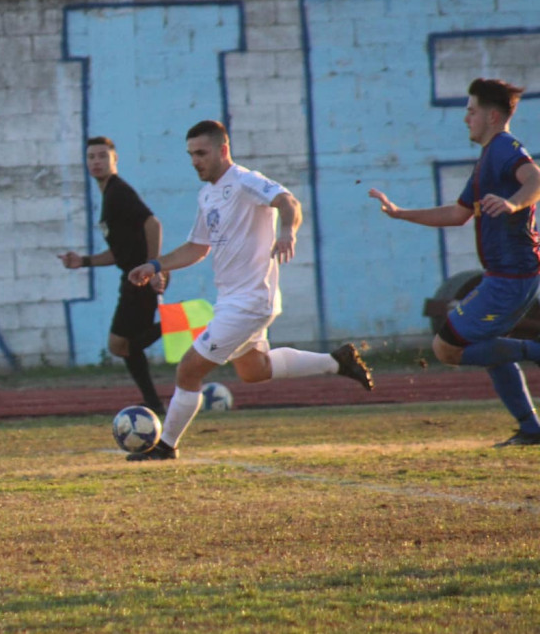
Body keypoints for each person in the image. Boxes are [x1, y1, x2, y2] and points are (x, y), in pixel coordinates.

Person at [123, 120, 374, 461]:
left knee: (188, 369)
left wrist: (287, 231)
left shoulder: (244, 181)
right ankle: (337, 361)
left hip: (251, 301)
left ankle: (166, 446)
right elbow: (197, 248)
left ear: (223, 150)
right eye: (191, 155)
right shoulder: (207, 194)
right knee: (254, 371)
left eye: (202, 153)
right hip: (231, 301)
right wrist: (155, 266)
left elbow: (289, 202)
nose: (196, 161)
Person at [368, 78, 540, 447]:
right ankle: (531, 429)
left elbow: (536, 179)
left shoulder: (504, 149)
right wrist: (400, 214)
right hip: (510, 275)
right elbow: (457, 213)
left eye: (471, 110)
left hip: (510, 277)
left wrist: (514, 203)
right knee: (489, 346)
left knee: (446, 348)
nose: (466, 118)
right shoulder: (489, 157)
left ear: (492, 116)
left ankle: (534, 352)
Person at [60, 136, 168, 415]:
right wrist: (83, 261)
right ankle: (154, 402)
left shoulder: (119, 192)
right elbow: (118, 253)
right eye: (91, 157)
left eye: (102, 156)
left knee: (120, 345)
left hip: (141, 277)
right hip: (133, 275)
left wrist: (153, 266)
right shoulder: (109, 196)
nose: (96, 162)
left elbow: (153, 223)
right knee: (126, 346)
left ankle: (189, 323)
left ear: (114, 160)